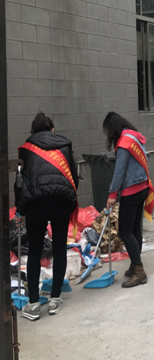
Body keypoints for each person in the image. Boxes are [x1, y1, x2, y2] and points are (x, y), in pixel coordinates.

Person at [15, 113, 79, 321]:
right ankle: (55, 299)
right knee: (59, 249)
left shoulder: (26, 148)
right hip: (61, 200)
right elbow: (73, 176)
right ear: (52, 129)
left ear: (33, 131)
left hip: (35, 203)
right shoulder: (64, 145)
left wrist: (19, 209)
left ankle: (33, 304)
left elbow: (20, 180)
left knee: (34, 251)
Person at [103, 112, 154, 288]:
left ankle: (139, 271)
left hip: (131, 191)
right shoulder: (134, 137)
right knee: (135, 229)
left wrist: (112, 195)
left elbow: (119, 171)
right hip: (143, 187)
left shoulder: (124, 142)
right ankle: (134, 263)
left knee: (125, 232)